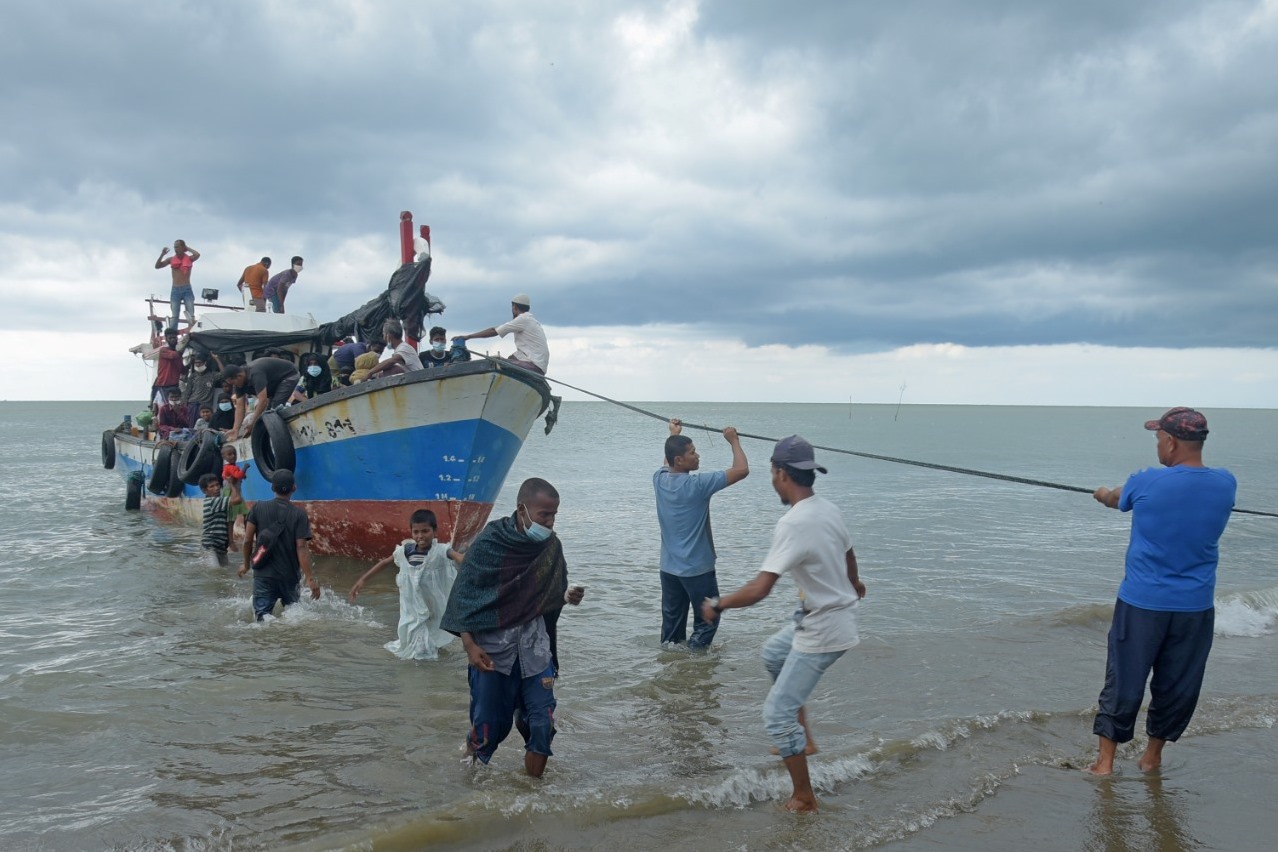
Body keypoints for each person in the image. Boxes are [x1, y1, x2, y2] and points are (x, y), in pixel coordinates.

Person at [701, 435, 866, 813]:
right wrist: (854, 583)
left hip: (825, 628)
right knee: (774, 653)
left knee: (775, 716)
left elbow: (761, 589)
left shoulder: (793, 524)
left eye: (773, 474)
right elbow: (849, 553)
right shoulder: (828, 509)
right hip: (828, 617)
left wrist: (718, 604)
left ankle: (804, 797)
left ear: (779, 474)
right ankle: (803, 737)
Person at [1086, 407, 1236, 776]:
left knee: (1124, 679)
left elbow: (1115, 498)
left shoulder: (1147, 481)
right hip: (1195, 607)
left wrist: (1101, 493)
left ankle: (1105, 763)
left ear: (1170, 442)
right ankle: (1152, 757)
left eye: (1157, 438)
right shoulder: (1226, 483)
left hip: (1143, 603)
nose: (1157, 445)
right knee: (1179, 683)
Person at [440, 478, 586, 777]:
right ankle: (469, 779)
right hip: (493, 655)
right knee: (489, 729)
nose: (549, 521)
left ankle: (533, 794)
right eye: (544, 514)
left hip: (535, 654)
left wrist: (567, 597)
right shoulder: (490, 543)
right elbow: (462, 598)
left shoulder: (551, 546)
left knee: (542, 725)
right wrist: (469, 646)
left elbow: (549, 597)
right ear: (523, 509)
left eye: (554, 514)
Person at [653, 418, 749, 650]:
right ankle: (695, 666)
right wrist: (733, 441)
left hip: (669, 569)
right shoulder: (698, 485)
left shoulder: (659, 479)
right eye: (693, 453)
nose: (698, 456)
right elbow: (742, 470)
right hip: (697, 570)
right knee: (708, 621)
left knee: (672, 628)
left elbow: (668, 459)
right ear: (680, 460)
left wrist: (673, 433)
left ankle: (672, 667)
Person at [349, 509, 466, 660]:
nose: (420, 536)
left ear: (435, 531)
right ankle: (427, 665)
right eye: (416, 532)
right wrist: (363, 580)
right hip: (413, 606)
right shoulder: (405, 551)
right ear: (411, 532)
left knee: (434, 633)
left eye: (425, 531)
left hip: (434, 604)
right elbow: (385, 562)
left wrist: (477, 562)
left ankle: (429, 659)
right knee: (415, 634)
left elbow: (458, 557)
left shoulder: (441, 551)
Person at [239, 469, 320, 621]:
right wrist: (310, 578)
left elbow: (247, 540)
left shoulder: (257, 507)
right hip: (289, 576)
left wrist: (245, 564)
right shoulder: (299, 514)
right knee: (294, 617)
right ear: (294, 488)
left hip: (263, 575)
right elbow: (301, 547)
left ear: (272, 487)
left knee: (262, 620)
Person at [456, 293, 549, 374]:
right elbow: (498, 328)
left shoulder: (522, 319)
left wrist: (468, 337)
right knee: (511, 357)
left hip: (534, 365)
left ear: (514, 307)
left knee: (495, 362)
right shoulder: (531, 320)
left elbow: (494, 331)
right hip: (539, 365)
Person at [220, 357, 301, 438]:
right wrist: (235, 429)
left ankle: (286, 434)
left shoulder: (255, 373)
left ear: (239, 376)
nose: (234, 386)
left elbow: (263, 401)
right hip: (272, 382)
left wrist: (253, 422)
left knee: (275, 407)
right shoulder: (238, 383)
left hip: (289, 374)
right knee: (267, 413)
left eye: (234, 383)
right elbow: (240, 407)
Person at [199, 472, 243, 567]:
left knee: (223, 574)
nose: (217, 488)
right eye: (212, 486)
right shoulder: (212, 502)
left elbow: (229, 521)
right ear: (204, 491)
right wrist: (232, 484)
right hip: (209, 548)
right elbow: (237, 499)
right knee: (215, 574)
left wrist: (231, 542)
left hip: (221, 548)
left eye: (217, 485)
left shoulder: (221, 502)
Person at [154, 239, 201, 329]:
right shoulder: (171, 259)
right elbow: (157, 266)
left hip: (187, 289)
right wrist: (162, 254)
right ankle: (172, 333)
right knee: (175, 315)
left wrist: (188, 248)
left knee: (191, 314)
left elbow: (197, 255)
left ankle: (192, 330)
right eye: (174, 247)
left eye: (177, 247)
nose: (175, 249)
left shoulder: (189, 259)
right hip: (175, 289)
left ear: (182, 247)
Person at [180, 350, 224, 421]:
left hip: (205, 407)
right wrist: (185, 407)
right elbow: (187, 393)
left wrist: (216, 359)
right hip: (192, 405)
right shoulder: (192, 376)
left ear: (205, 363)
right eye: (196, 363)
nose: (197, 365)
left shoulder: (212, 375)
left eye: (199, 363)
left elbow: (223, 374)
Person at [148, 327, 184, 410]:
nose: (172, 339)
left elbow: (182, 370)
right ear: (166, 339)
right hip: (163, 385)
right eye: (170, 338)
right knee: (167, 408)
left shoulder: (178, 356)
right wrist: (187, 342)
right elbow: (174, 355)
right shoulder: (163, 350)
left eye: (174, 337)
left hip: (174, 385)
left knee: (175, 408)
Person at [222, 444, 250, 545]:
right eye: (229, 454)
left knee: (245, 513)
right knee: (231, 518)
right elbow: (238, 475)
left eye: (234, 453)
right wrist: (245, 468)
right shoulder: (229, 467)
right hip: (231, 493)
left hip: (236, 492)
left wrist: (242, 475)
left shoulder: (232, 467)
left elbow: (237, 476)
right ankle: (231, 540)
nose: (233, 456)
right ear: (224, 457)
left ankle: (248, 536)